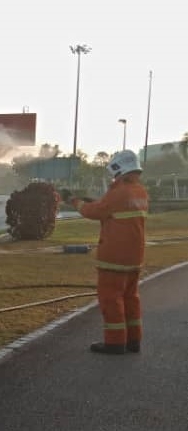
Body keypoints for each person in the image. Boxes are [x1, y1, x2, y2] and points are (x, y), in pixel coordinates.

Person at [71, 149, 149, 354]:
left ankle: (115, 342)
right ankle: (134, 340)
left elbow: (95, 211)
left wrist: (76, 202)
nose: (113, 177)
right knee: (131, 298)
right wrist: (94, 201)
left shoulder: (119, 191)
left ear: (119, 169)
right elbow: (111, 209)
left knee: (111, 297)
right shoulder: (140, 191)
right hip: (135, 257)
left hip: (114, 257)